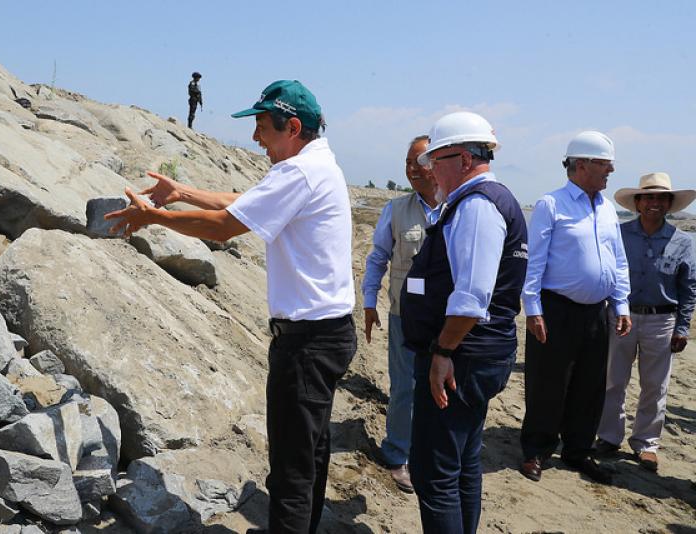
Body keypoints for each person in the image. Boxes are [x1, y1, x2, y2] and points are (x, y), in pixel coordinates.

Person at [106, 79, 356, 534]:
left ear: (292, 128)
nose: (256, 137)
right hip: (327, 335)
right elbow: (243, 204)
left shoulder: (299, 172)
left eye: (262, 126)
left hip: (307, 346)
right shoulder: (315, 165)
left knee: (291, 472)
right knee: (311, 454)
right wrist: (182, 193)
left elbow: (223, 226)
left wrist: (153, 217)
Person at [400, 111, 528, 534]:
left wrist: (443, 351)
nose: (430, 171)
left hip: (460, 359)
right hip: (472, 354)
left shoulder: (477, 207)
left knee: (434, 474)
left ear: (465, 159)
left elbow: (471, 298)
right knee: (462, 463)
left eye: (435, 161)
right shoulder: (484, 202)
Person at [520, 131, 631, 485]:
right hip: (556, 309)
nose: (611, 170)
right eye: (605, 164)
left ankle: (578, 450)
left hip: (597, 311)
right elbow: (534, 262)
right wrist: (533, 308)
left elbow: (618, 260)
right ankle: (536, 450)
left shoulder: (607, 208)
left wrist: (621, 303)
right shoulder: (551, 205)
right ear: (581, 165)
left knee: (590, 384)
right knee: (548, 382)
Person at [595, 172, 696, 472]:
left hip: (662, 320)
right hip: (621, 315)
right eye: (649, 197)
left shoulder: (683, 241)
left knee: (655, 385)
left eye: (661, 198)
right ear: (637, 203)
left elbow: (689, 288)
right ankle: (609, 436)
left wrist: (682, 327)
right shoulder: (619, 234)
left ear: (670, 204)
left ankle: (646, 443)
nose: (655, 203)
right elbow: (606, 274)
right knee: (613, 379)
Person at [361, 135, 439, 493]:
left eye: (418, 162)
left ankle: (432, 452)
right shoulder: (396, 209)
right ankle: (398, 453)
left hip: (447, 319)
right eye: (407, 162)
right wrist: (369, 301)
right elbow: (378, 257)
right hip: (404, 315)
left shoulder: (459, 207)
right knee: (405, 386)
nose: (411, 169)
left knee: (441, 386)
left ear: (437, 163)